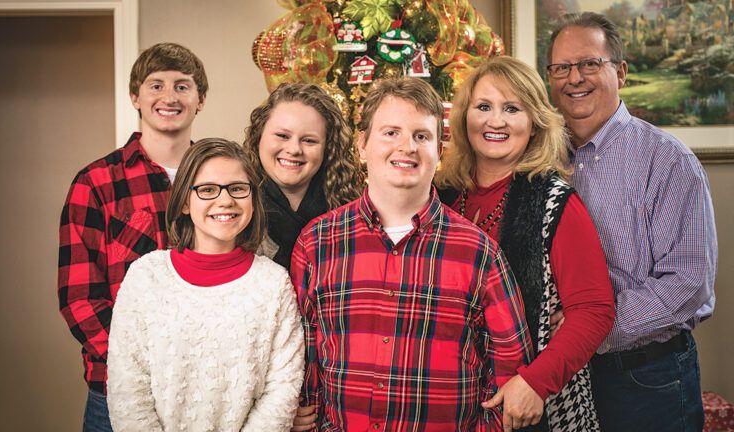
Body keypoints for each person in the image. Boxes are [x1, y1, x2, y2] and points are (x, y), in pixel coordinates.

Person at [290, 76, 535, 431]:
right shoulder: (317, 243)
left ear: (439, 150)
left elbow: (510, 367)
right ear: (362, 145)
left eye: (421, 136)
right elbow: (302, 352)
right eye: (391, 132)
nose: (407, 147)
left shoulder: (477, 252)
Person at [546, 12, 717, 432]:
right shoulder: (540, 157)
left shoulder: (668, 161)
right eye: (561, 68)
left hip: (646, 378)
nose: (574, 78)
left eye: (590, 64)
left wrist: (589, 328)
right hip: (562, 379)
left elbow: (689, 283)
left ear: (620, 72)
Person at [436, 56, 615, 431]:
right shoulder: (442, 196)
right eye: (483, 107)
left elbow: (594, 310)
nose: (495, 121)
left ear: (533, 124)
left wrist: (536, 382)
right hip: (450, 402)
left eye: (512, 109)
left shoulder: (555, 202)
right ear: (465, 118)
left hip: (535, 406)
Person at [57, 42, 208, 431]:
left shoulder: (222, 180)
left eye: (182, 86)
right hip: (119, 390)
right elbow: (79, 297)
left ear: (200, 99)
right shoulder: (96, 183)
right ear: (135, 97)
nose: (169, 97)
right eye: (156, 85)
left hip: (207, 388)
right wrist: (138, 365)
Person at [106, 138, 304, 431]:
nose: (225, 201)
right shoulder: (145, 277)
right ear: (185, 201)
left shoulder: (274, 284)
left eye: (237, 188)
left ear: (252, 199)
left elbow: (282, 389)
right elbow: (128, 390)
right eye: (208, 189)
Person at [243, 83, 364, 270]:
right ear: (259, 137)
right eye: (282, 136)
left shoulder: (352, 215)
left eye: (309, 140)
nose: (294, 150)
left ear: (328, 147)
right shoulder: (234, 207)